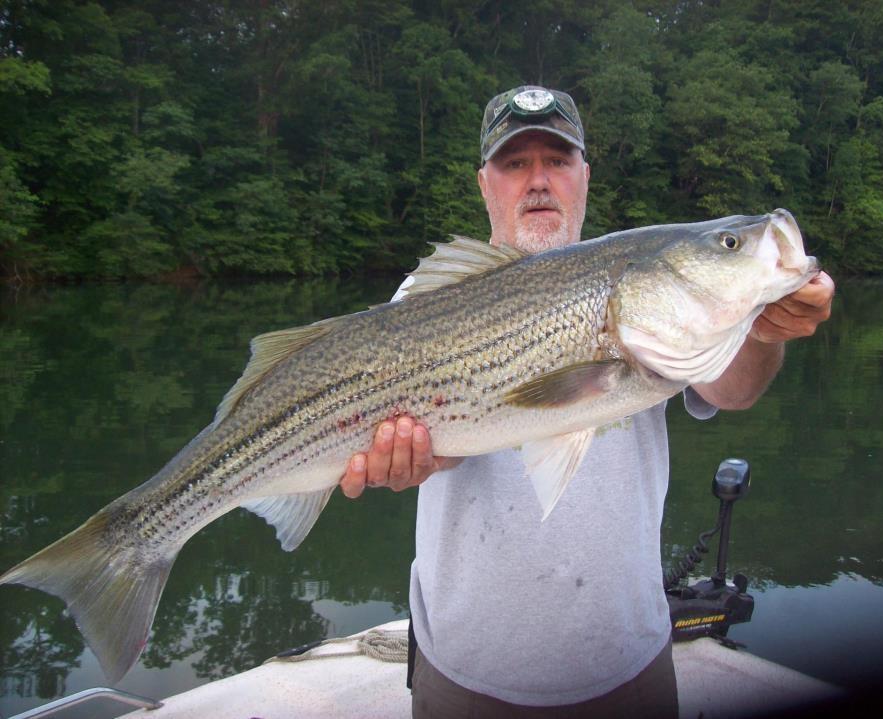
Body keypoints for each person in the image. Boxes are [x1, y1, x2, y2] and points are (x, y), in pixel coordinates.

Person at [339, 86, 835, 717]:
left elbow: (734, 389)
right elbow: (418, 447)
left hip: (626, 666)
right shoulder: (422, 298)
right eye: (515, 164)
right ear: (485, 184)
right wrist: (410, 457)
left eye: (558, 161)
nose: (538, 181)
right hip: (463, 674)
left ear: (585, 176)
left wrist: (761, 329)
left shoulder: (640, 277)